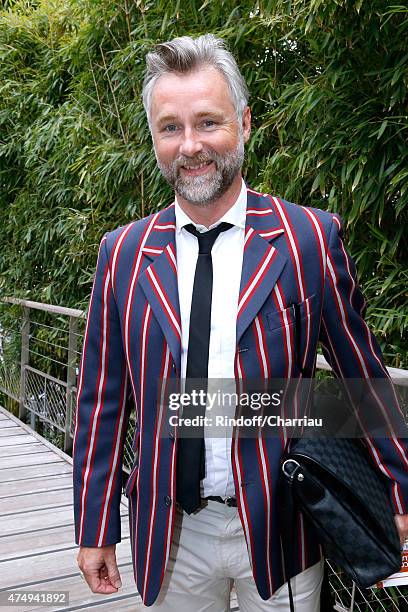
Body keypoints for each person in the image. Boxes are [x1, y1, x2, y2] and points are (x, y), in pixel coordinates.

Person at [73, 34, 408, 611]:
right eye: (170, 127)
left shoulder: (307, 239)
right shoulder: (123, 253)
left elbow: (360, 377)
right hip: (170, 532)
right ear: (153, 137)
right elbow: (101, 399)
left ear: (245, 123)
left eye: (208, 122)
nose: (190, 145)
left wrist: (401, 487)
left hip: (282, 525)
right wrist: (93, 523)